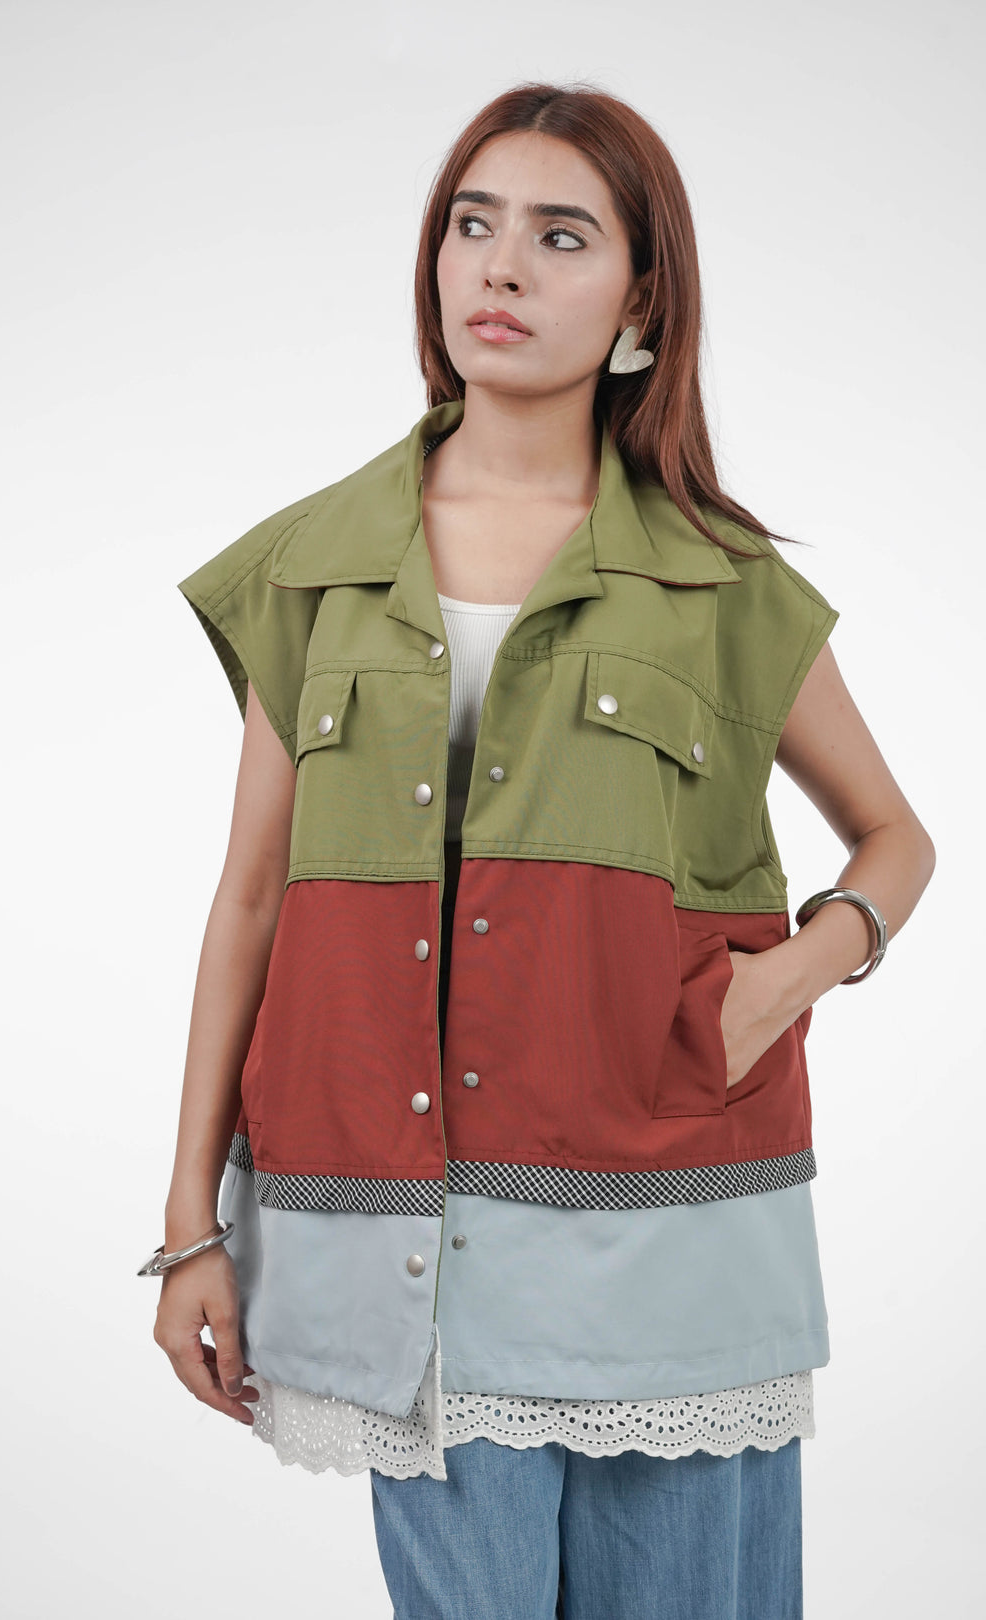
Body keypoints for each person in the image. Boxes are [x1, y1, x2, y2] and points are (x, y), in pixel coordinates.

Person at [141, 83, 935, 1620]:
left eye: (560, 236)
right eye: (472, 224)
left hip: (677, 1229)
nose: (499, 267)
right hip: (409, 1253)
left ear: (642, 300)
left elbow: (896, 836)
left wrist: (790, 978)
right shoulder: (313, 569)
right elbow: (250, 903)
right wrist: (190, 1230)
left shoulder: (720, 583)